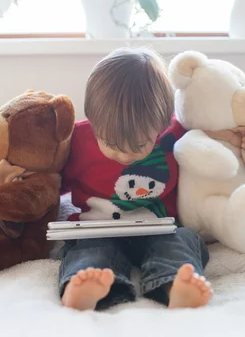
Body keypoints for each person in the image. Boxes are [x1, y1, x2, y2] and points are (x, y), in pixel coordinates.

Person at [58, 47, 212, 311]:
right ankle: (85, 287)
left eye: (141, 145)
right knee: (89, 250)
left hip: (159, 229)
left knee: (181, 240)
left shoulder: (177, 135)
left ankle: (175, 286)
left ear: (163, 125)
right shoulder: (76, 141)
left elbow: (210, 153)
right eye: (111, 143)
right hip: (98, 229)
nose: (125, 154)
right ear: (93, 122)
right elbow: (49, 182)